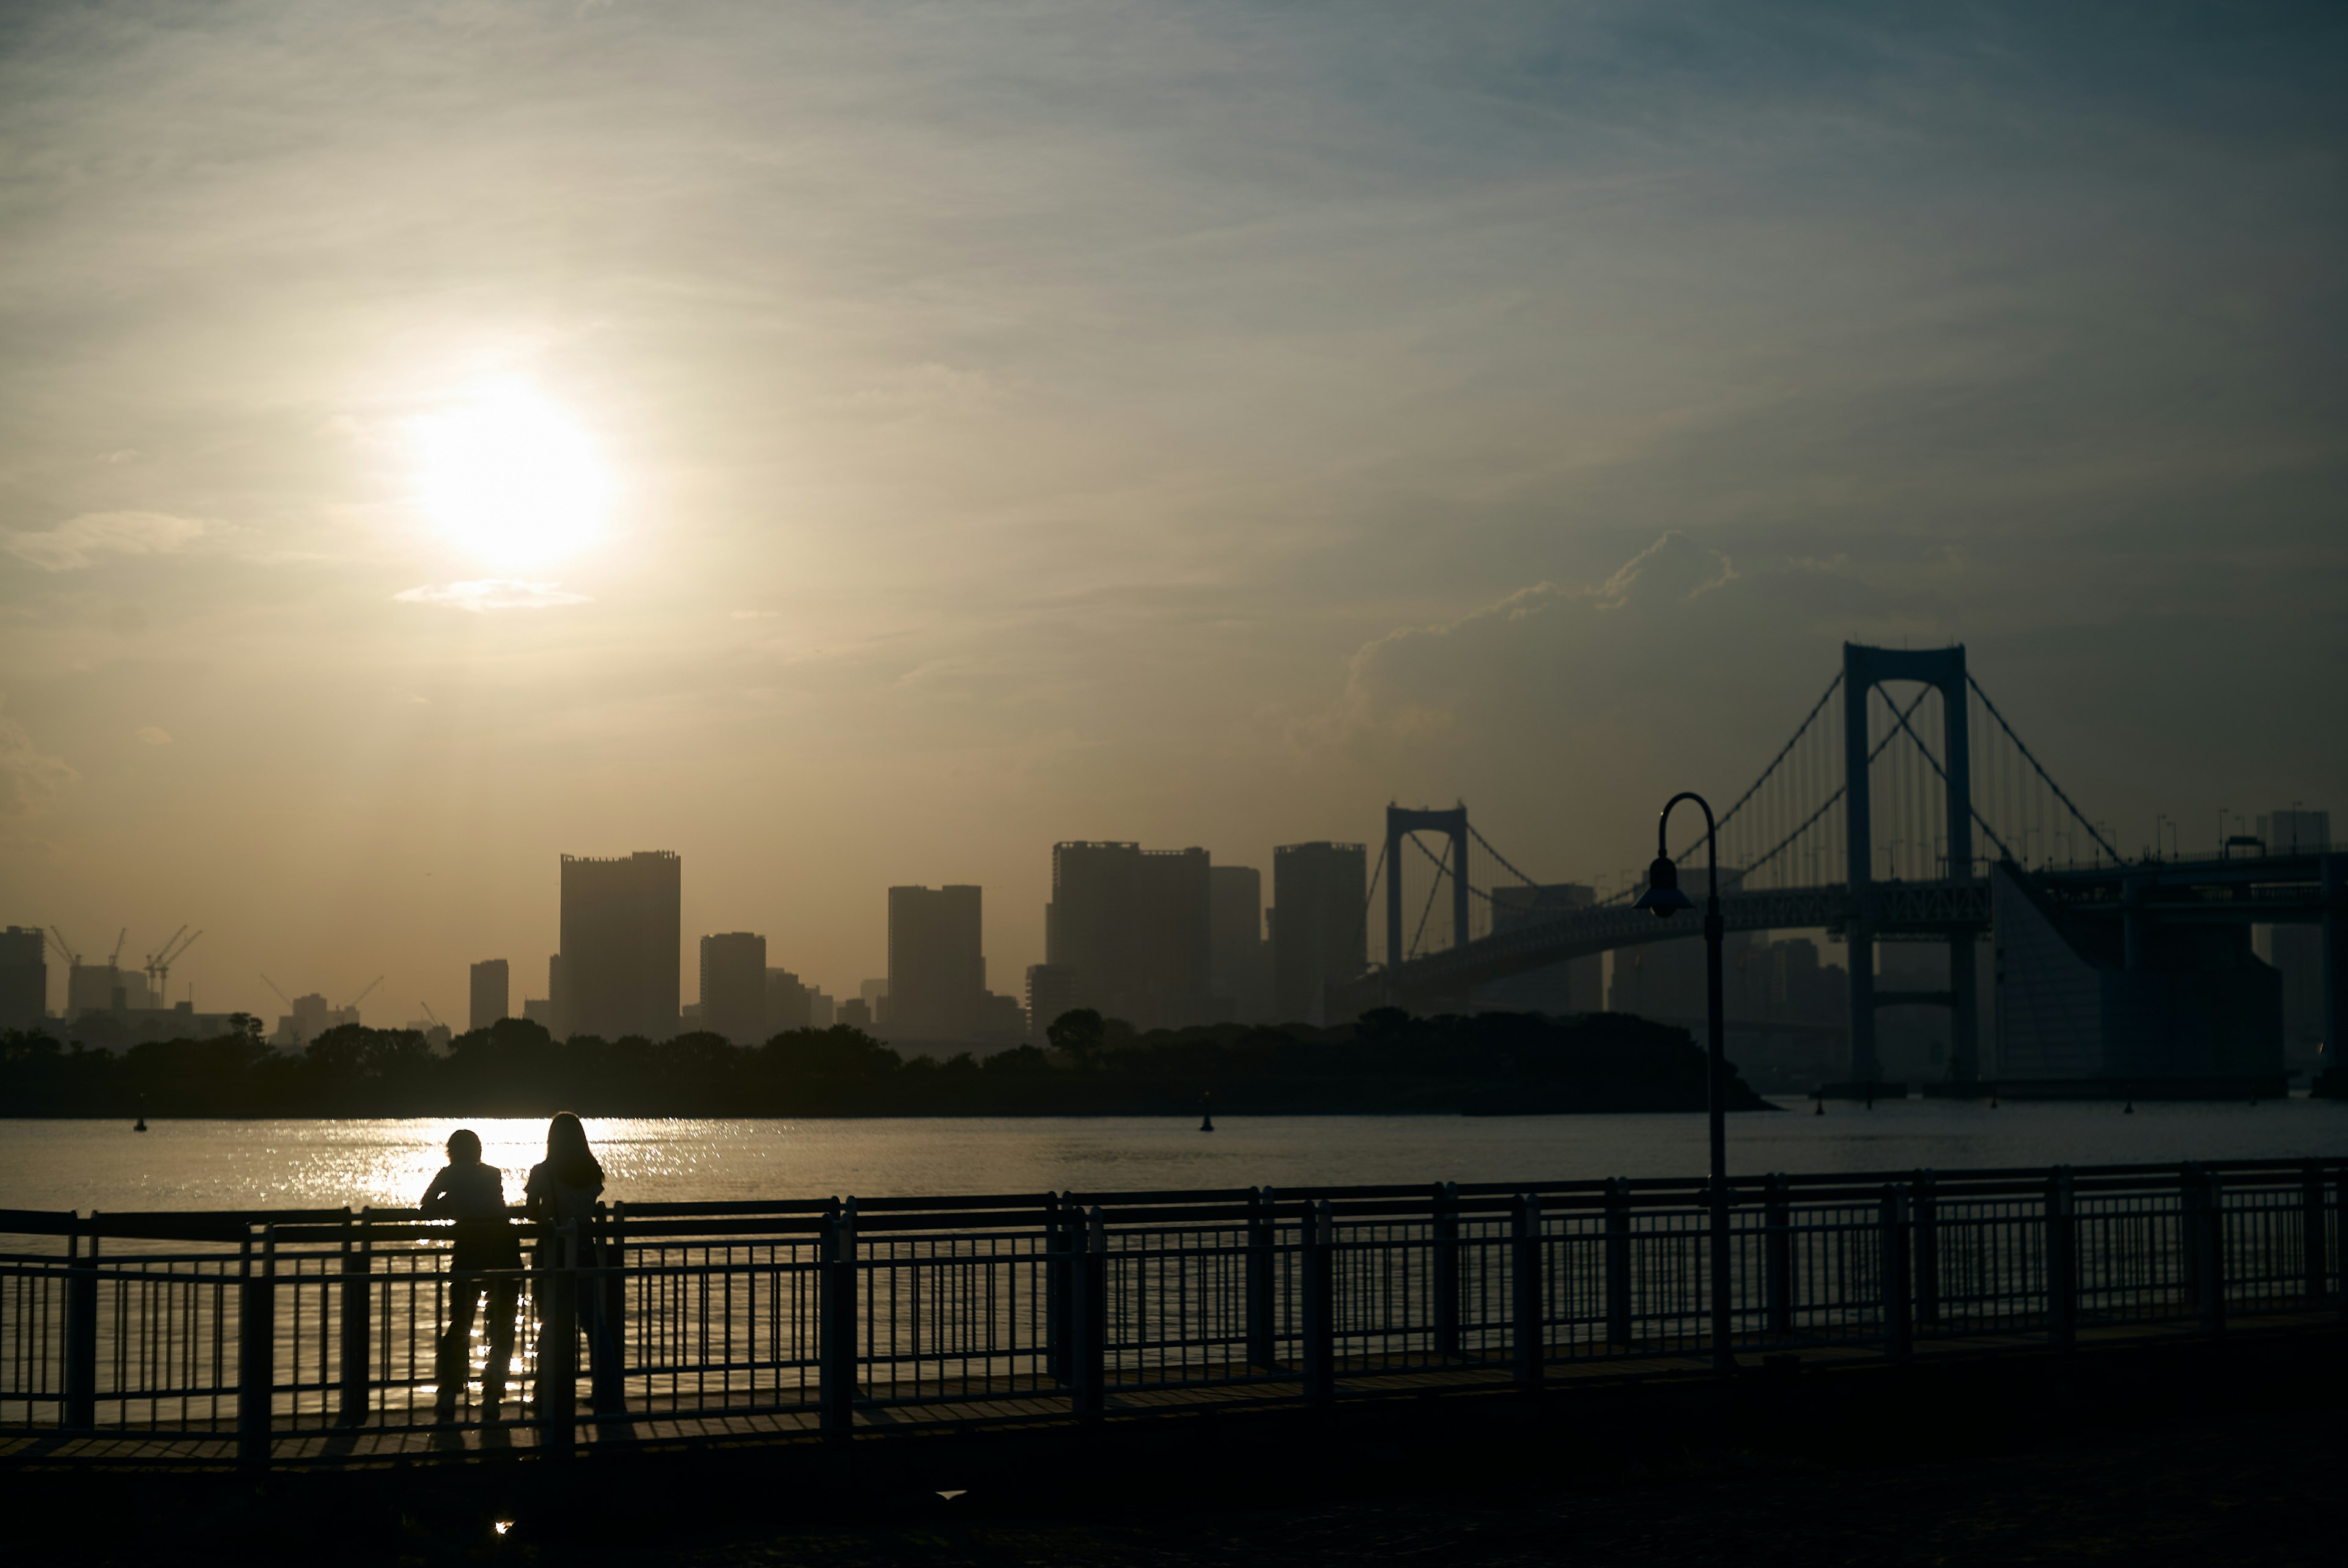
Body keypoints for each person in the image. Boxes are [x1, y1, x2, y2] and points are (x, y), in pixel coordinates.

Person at [418, 1128, 522, 1423]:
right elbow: (491, 1203)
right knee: (501, 1324)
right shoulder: (493, 1174)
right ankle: (492, 1397)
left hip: (469, 1249)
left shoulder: (448, 1174)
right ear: (478, 1151)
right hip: (505, 1248)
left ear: (451, 1151)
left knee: (460, 1322)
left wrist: (452, 1204)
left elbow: (427, 1205)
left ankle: (449, 1394)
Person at [525, 1112, 623, 1414]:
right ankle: (607, 1393)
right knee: (594, 1322)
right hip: (584, 1250)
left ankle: (547, 1394)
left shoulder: (543, 1171)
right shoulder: (592, 1170)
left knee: (550, 1322)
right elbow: (591, 1209)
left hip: (553, 1251)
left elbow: (532, 1212)